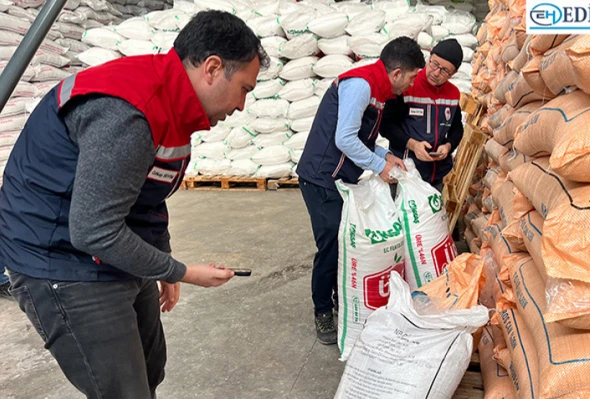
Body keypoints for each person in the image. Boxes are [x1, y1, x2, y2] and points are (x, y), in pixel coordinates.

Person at [0, 11, 266, 398]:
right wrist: (182, 271)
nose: (241, 105)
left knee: (150, 368)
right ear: (212, 68)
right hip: (58, 257)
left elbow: (146, 194)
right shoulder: (130, 112)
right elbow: (94, 229)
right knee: (124, 390)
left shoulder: (174, 108)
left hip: (103, 247)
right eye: (244, 88)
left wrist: (163, 259)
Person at [296, 37, 426, 345]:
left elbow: (362, 140)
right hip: (320, 177)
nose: (409, 86)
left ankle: (340, 296)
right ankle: (323, 310)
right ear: (396, 73)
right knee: (331, 244)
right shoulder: (361, 85)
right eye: (409, 78)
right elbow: (344, 139)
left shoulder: (377, 92)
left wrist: (384, 156)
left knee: (344, 242)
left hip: (339, 178)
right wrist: (378, 166)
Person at [381, 39, 465, 194]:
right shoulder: (407, 86)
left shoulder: (453, 94)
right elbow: (386, 126)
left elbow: (457, 128)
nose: (436, 73)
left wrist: (448, 146)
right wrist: (413, 145)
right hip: (405, 173)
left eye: (445, 70)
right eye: (434, 64)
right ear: (429, 56)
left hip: (437, 176)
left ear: (454, 73)